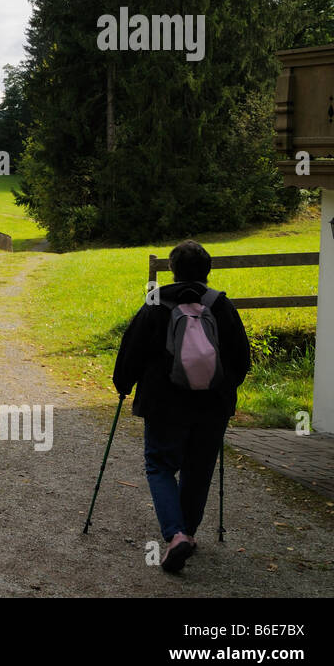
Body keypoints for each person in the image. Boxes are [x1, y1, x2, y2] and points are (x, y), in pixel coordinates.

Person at [112, 240, 251, 574]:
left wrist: (123, 385)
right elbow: (241, 358)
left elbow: (132, 350)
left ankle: (176, 536)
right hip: (212, 404)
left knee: (159, 464)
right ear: (207, 270)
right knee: (198, 469)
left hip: (164, 403)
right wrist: (226, 390)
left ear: (172, 269)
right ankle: (187, 532)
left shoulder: (156, 303)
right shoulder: (220, 305)